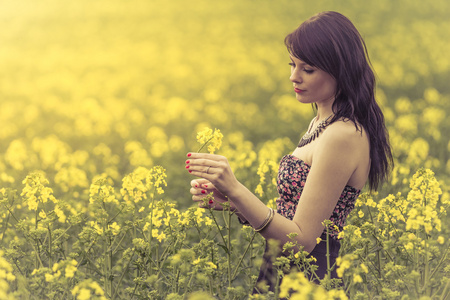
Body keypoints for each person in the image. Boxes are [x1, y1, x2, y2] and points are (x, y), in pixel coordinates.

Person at [185, 11, 392, 294]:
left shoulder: (342, 135)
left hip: (310, 281)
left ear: (340, 70)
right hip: (282, 271)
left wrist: (235, 188)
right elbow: (294, 214)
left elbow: (303, 240)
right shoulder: (322, 122)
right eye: (292, 65)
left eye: (307, 69)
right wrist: (234, 203)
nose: (293, 76)